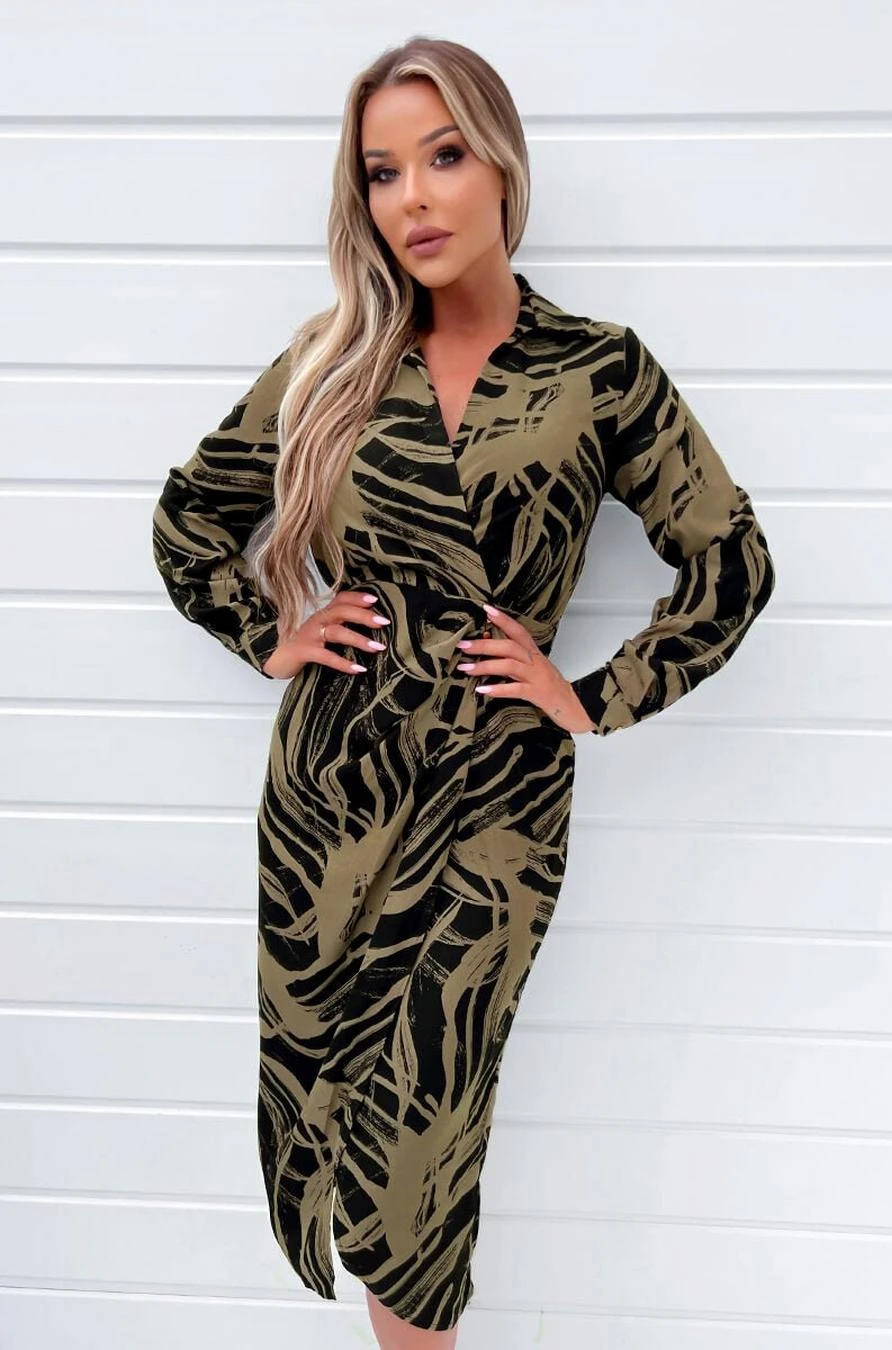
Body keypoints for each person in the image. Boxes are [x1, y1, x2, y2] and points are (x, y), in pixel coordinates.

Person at [151, 34, 775, 1350]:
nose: (415, 198)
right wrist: (274, 632)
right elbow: (193, 516)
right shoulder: (333, 359)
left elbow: (730, 560)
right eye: (382, 172)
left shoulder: (598, 369)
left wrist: (591, 693)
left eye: (442, 156)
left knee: (418, 1150)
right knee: (331, 1102)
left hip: (497, 807)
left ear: (502, 165)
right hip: (332, 801)